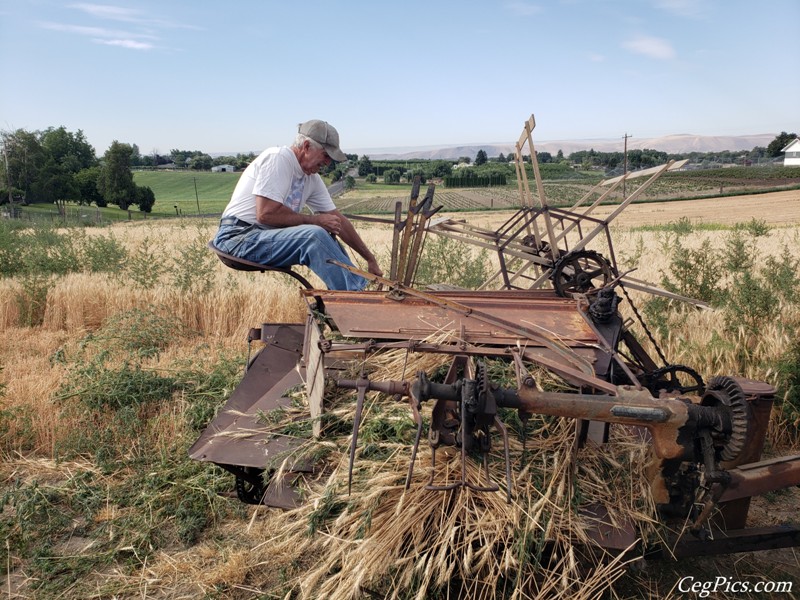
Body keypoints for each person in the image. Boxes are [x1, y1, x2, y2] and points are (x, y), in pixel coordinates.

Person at [213, 119, 382, 290]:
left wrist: (370, 259)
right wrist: (315, 220)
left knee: (324, 232)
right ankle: (355, 296)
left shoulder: (311, 178)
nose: (327, 163)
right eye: (325, 155)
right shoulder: (278, 158)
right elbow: (266, 214)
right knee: (313, 236)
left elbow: (339, 221)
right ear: (306, 146)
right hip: (238, 237)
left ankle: (349, 292)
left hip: (261, 235)